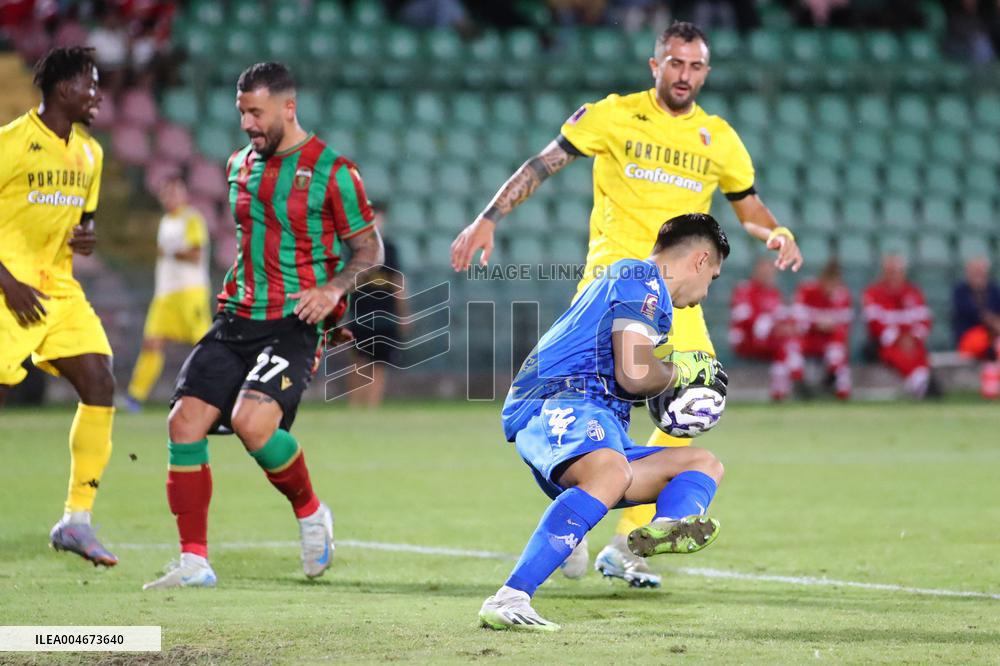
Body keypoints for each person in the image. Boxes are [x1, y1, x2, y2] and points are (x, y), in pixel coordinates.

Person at [451, 21, 802, 587]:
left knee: (692, 403)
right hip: (614, 288)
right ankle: (579, 504)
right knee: (598, 401)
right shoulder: (613, 115)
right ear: (655, 65)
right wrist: (488, 218)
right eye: (675, 63)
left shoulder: (718, 138)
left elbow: (749, 205)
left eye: (695, 66)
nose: (684, 74)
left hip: (677, 300)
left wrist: (775, 231)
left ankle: (627, 543)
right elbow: (544, 163)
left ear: (706, 72)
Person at [143, 62, 384, 590]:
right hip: (236, 316)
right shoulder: (238, 165)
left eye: (256, 112)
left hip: (293, 321)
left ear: (288, 108)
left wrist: (332, 291)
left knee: (252, 424)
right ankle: (194, 563)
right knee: (183, 423)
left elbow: (369, 250)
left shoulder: (334, 171)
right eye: (242, 113)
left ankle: (311, 512)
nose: (247, 123)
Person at [479, 213, 729, 632]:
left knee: (703, 464)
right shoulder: (641, 278)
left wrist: (667, 380)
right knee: (611, 472)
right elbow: (635, 373)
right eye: (713, 278)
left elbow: (628, 376)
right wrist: (681, 372)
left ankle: (665, 527)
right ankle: (510, 597)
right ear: (701, 260)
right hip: (557, 400)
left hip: (598, 419)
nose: (705, 293)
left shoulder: (641, 291)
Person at [0, 46, 118, 566]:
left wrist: (85, 237)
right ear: (63, 88)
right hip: (8, 288)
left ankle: (76, 521)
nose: (97, 95)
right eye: (90, 84)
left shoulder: (91, 154)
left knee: (99, 382)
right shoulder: (9, 144)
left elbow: (83, 221)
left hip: (59, 290)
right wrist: (7, 281)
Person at [125, 176, 211, 409]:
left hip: (189, 292)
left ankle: (218, 391)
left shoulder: (191, 218)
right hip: (164, 295)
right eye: (166, 193)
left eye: (175, 192)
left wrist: (170, 252)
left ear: (184, 194)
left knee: (204, 345)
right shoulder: (165, 221)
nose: (170, 197)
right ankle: (135, 397)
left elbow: (196, 255)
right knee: (152, 343)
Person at [347, 202, 406, 408]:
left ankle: (372, 405)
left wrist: (403, 314)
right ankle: (354, 405)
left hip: (385, 314)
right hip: (360, 313)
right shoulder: (355, 249)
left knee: (380, 363)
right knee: (358, 360)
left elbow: (398, 283)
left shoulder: (390, 250)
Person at [729, 256, 803, 401]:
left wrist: (787, 327)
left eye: (771, 271)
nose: (768, 274)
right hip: (747, 340)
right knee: (785, 346)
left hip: (770, 340)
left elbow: (781, 316)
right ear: (756, 271)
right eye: (764, 270)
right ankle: (793, 383)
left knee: (789, 343)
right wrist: (773, 328)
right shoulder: (745, 290)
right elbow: (743, 319)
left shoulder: (774, 292)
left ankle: (784, 389)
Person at [863, 255, 933, 398]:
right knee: (893, 352)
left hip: (912, 342)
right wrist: (898, 338)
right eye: (891, 271)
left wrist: (913, 337)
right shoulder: (873, 292)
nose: (895, 275)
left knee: (918, 352)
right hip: (886, 343)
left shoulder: (914, 292)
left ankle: (921, 380)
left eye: (898, 271)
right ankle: (919, 382)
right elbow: (874, 324)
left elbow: (924, 320)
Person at [793, 259, 853, 399]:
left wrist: (830, 326)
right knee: (792, 351)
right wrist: (817, 325)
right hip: (808, 339)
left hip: (829, 341)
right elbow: (797, 318)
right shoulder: (807, 291)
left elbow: (845, 324)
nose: (831, 286)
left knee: (837, 353)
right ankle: (801, 388)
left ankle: (834, 388)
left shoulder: (842, 295)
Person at [953, 256, 1000, 360]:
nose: (979, 275)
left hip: (992, 336)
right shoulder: (960, 291)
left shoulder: (994, 290)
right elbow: (970, 311)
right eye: (975, 272)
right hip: (970, 336)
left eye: (981, 272)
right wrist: (993, 321)